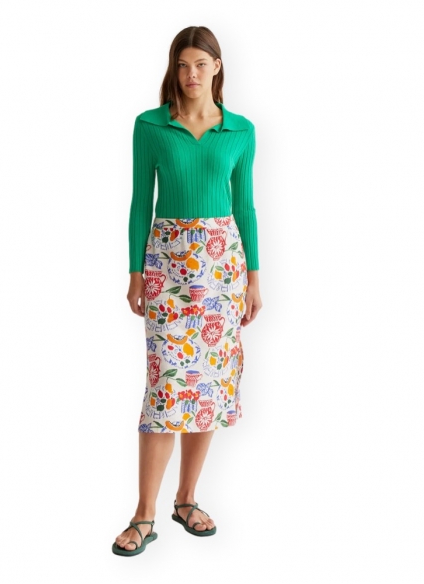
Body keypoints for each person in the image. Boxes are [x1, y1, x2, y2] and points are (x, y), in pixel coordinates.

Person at [112, 26, 263, 557]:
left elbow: (245, 208)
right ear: (173, 69)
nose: (191, 73)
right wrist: (136, 273)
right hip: (167, 267)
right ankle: (143, 514)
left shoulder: (240, 131)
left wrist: (253, 280)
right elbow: (140, 202)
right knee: (164, 388)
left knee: (209, 388)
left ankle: (186, 500)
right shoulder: (151, 126)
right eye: (183, 64)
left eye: (201, 63)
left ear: (217, 67)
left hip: (222, 271)